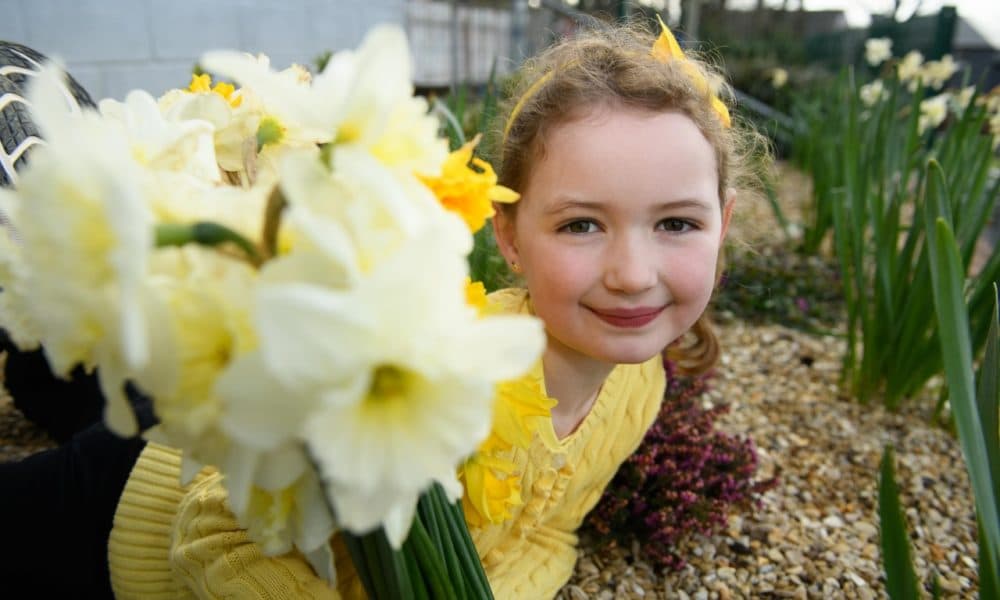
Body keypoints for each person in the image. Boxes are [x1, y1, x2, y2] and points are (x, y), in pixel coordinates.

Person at [4, 19, 762, 600]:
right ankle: (45, 186)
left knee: (87, 376)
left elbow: (547, 533)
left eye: (676, 224)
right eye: (581, 224)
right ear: (508, 235)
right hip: (134, 512)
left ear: (723, 224)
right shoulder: (448, 365)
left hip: (235, 404)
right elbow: (210, 540)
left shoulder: (639, 385)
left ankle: (43, 349)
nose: (634, 275)